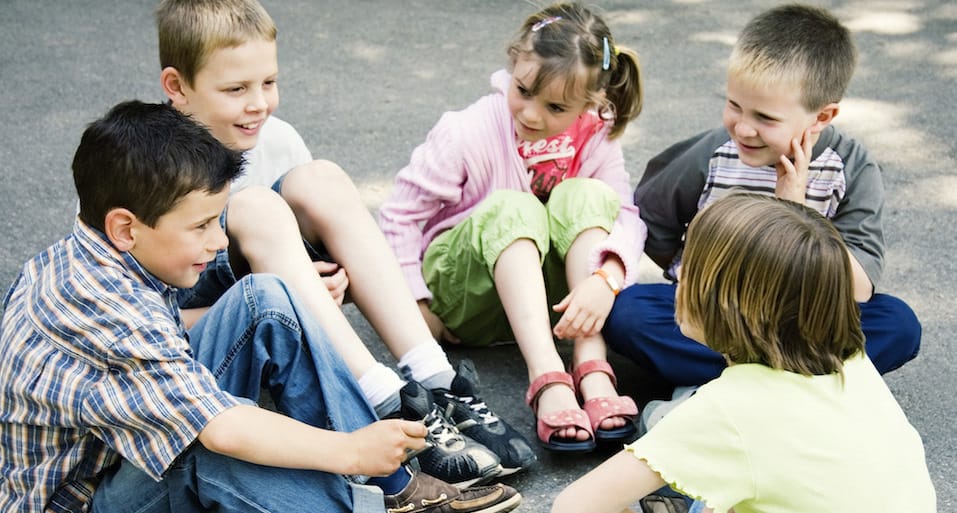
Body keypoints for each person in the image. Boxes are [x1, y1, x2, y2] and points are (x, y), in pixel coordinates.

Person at [0, 101, 522, 513]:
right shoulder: (101, 308)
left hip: (114, 450)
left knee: (265, 298)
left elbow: (160, 342)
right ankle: (366, 498)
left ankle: (390, 486)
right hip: (84, 498)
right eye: (201, 226)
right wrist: (350, 450)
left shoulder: (101, 254)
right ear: (125, 227)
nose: (216, 240)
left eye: (217, 220)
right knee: (209, 447)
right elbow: (220, 427)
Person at [154, 0, 533, 483]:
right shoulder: (138, 167)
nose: (259, 104)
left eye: (268, 83)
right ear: (177, 87)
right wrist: (284, 302)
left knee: (321, 178)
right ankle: (384, 401)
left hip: (265, 283)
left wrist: (327, 287)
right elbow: (131, 327)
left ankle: (437, 383)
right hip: (206, 333)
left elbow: (331, 262)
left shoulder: (276, 138)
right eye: (235, 89)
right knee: (255, 206)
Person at [552, 193, 937, 513]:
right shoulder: (852, 361)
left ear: (724, 304)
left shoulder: (728, 409)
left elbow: (572, 506)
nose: (679, 276)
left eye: (691, 269)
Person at [603, 3, 921, 390]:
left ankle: (731, 384)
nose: (743, 128)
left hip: (800, 322)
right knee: (627, 313)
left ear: (822, 117)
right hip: (714, 317)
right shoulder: (712, 154)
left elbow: (859, 288)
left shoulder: (851, 167)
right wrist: (696, 276)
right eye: (734, 105)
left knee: (898, 325)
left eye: (765, 119)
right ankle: (796, 385)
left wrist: (794, 211)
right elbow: (649, 223)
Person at [378, 2, 645, 453]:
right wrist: (415, 303)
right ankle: (547, 377)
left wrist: (607, 278)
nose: (533, 114)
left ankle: (592, 367)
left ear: (590, 103)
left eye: (556, 106)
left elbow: (626, 217)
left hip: (552, 304)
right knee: (514, 207)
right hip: (467, 297)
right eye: (523, 90)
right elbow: (400, 216)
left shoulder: (597, 133)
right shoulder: (467, 131)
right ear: (514, 60)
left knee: (589, 196)